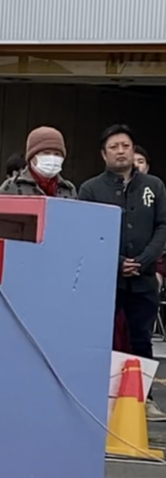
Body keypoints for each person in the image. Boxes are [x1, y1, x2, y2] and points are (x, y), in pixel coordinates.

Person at [79, 124, 166, 421]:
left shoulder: (154, 186)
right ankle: (97, 396)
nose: (120, 151)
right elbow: (86, 233)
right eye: (114, 147)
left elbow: (162, 226)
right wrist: (117, 262)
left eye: (125, 146)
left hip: (144, 279)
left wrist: (143, 260)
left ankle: (143, 399)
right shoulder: (90, 189)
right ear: (103, 154)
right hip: (106, 279)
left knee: (142, 339)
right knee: (101, 338)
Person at [0, 127, 77, 198]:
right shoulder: (11, 186)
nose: (52, 158)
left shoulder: (69, 190)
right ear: (32, 156)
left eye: (57, 154)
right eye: (46, 153)